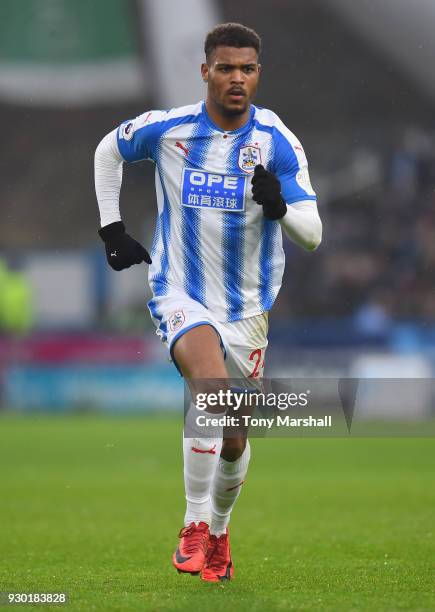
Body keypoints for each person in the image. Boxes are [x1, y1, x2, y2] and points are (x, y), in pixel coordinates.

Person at [94, 22, 322, 583]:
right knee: (211, 392)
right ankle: (194, 524)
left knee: (235, 434)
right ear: (206, 72)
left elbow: (313, 233)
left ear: (258, 73)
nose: (237, 78)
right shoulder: (169, 130)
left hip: (247, 308)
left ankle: (219, 535)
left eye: (246, 68)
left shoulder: (276, 142)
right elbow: (108, 149)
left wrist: (280, 209)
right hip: (179, 289)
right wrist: (112, 228)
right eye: (225, 68)